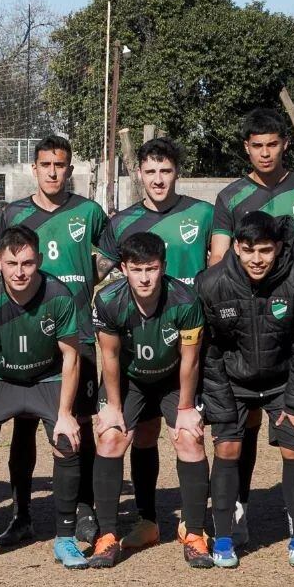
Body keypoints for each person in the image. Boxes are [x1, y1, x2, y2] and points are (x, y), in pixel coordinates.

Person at [208, 108, 294, 545]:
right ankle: (237, 509)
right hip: (246, 320)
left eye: (272, 144)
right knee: (243, 423)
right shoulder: (230, 196)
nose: (265, 152)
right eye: (257, 146)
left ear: (285, 145)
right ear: (247, 148)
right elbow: (220, 259)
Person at [0, 134, 108, 547]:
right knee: (24, 425)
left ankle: (83, 510)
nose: (53, 172)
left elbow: (110, 254)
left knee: (79, 423)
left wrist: (93, 275)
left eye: (60, 165)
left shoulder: (89, 212)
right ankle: (22, 513)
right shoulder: (15, 213)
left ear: (69, 170)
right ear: (34, 169)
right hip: (25, 331)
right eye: (46, 165)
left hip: (78, 334)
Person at [95, 136, 214, 550]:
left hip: (185, 339)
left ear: (177, 172)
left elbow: (218, 266)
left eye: (166, 170)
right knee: (135, 436)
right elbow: (100, 273)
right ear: (139, 174)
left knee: (189, 435)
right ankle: (138, 523)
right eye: (150, 171)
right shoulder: (122, 223)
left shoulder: (203, 213)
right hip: (135, 346)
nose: (158, 178)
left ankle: (199, 528)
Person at [196, 211, 294, 568]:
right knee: (228, 448)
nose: (257, 259)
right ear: (236, 246)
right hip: (232, 382)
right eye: (249, 250)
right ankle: (223, 537)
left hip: (283, 381)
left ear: (278, 247)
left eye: (265, 250)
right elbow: (209, 353)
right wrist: (221, 405)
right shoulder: (211, 283)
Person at [0, 225, 85, 569]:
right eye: (12, 263)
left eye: (27, 263)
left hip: (46, 376)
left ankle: (66, 539)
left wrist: (66, 413)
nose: (20, 271)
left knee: (66, 441)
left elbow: (71, 356)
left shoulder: (58, 293)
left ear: (39, 260)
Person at [91, 232, 210, 569]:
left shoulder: (185, 301)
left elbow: (190, 359)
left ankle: (195, 533)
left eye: (152, 269)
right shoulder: (109, 300)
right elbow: (110, 358)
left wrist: (186, 409)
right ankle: (110, 534)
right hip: (130, 381)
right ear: (123, 268)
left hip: (173, 379)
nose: (144, 277)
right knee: (113, 436)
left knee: (189, 438)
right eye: (136, 269)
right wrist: (113, 407)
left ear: (164, 267)